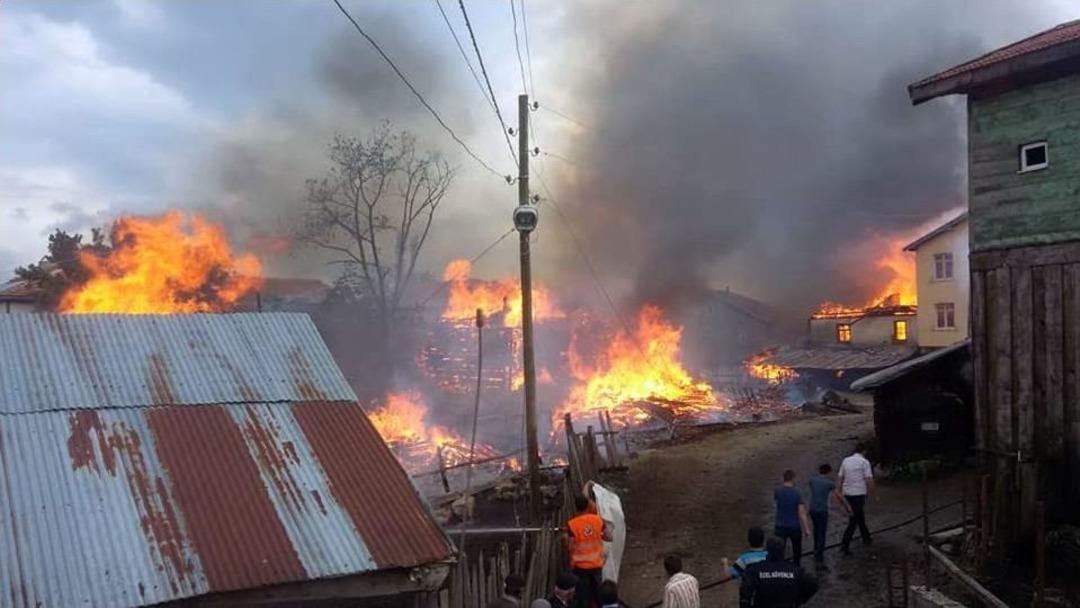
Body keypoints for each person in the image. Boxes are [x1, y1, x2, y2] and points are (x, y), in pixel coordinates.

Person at [739, 537, 819, 607]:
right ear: (783, 551)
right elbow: (814, 584)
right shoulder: (794, 570)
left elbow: (745, 593)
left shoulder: (755, 569)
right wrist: (798, 601)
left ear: (767, 550)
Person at [565, 494, 612, 607]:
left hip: (580, 567)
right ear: (587, 506)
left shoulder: (572, 524)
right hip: (596, 565)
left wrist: (564, 538)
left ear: (575, 507)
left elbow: (569, 547)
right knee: (598, 596)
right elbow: (609, 537)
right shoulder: (598, 520)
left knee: (583, 597)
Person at [808, 463, 850, 568]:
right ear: (828, 472)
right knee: (822, 533)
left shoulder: (812, 480)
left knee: (816, 531)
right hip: (822, 510)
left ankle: (815, 551)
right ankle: (819, 557)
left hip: (812, 509)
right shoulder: (829, 483)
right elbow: (839, 495)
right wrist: (847, 507)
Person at [837, 442, 875, 555]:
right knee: (854, 519)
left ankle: (866, 538)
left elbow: (840, 477)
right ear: (864, 451)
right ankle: (844, 545)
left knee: (859, 516)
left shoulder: (846, 460)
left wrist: (838, 492)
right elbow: (869, 479)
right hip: (858, 494)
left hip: (847, 493)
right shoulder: (864, 462)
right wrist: (874, 494)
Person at [774, 470, 810, 566]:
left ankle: (779, 568)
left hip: (780, 525)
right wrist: (806, 529)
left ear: (784, 479)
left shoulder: (777, 491)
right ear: (793, 479)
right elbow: (801, 512)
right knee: (797, 550)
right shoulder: (797, 493)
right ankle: (796, 568)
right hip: (794, 526)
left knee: (779, 550)